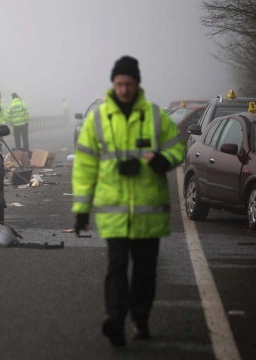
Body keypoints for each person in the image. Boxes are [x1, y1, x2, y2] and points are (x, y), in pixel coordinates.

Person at [71, 56, 185, 347]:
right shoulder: (97, 119)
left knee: (145, 271)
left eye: (129, 84)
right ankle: (115, 318)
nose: (124, 89)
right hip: (113, 212)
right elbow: (84, 167)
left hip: (149, 212)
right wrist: (81, 209)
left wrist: (161, 161)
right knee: (116, 266)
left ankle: (140, 317)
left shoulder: (156, 116)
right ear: (113, 84)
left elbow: (178, 148)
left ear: (137, 84)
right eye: (119, 84)